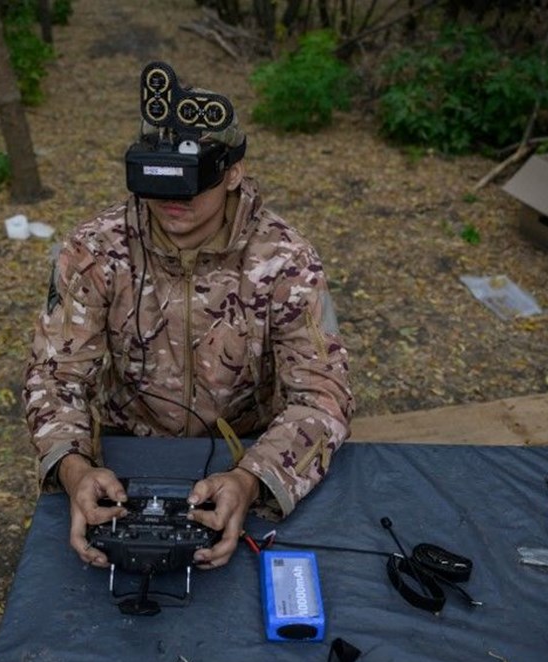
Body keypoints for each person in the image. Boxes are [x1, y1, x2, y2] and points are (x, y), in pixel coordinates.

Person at [23, 62, 353, 571]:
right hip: (126, 455)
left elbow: (323, 393)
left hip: (246, 449)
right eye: (158, 178)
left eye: (191, 179)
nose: (173, 200)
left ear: (232, 172)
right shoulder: (94, 251)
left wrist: (252, 479)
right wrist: (73, 468)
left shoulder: (286, 261)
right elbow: (54, 374)